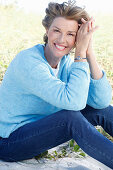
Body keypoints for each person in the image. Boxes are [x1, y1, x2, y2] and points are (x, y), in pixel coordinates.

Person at [0, 1, 113, 169]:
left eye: (70, 34)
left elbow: (102, 101)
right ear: (47, 30)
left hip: (44, 128)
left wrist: (89, 52)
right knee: (70, 118)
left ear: (78, 39)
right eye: (57, 31)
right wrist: (80, 54)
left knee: (102, 110)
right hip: (11, 142)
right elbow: (74, 103)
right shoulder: (29, 62)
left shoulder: (67, 62)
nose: (62, 39)